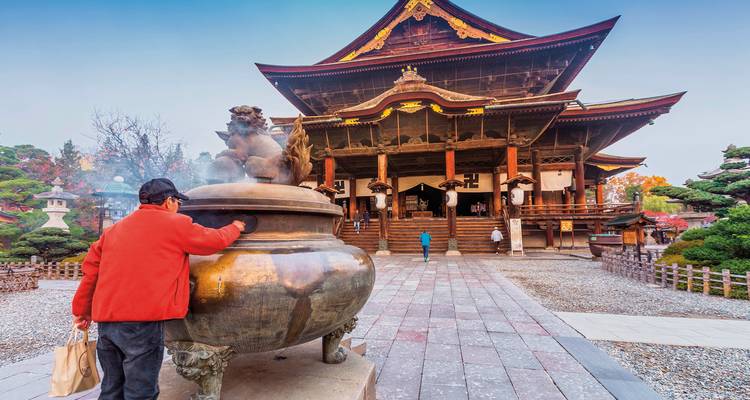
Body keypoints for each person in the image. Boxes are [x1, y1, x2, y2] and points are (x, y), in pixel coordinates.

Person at [71, 178, 244, 400]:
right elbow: (213, 240)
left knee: (112, 387)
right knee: (140, 390)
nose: (179, 206)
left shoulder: (114, 230)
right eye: (177, 202)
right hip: (142, 325)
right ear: (168, 201)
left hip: (107, 323)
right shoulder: (176, 224)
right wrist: (235, 227)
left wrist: (82, 312)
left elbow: (90, 274)